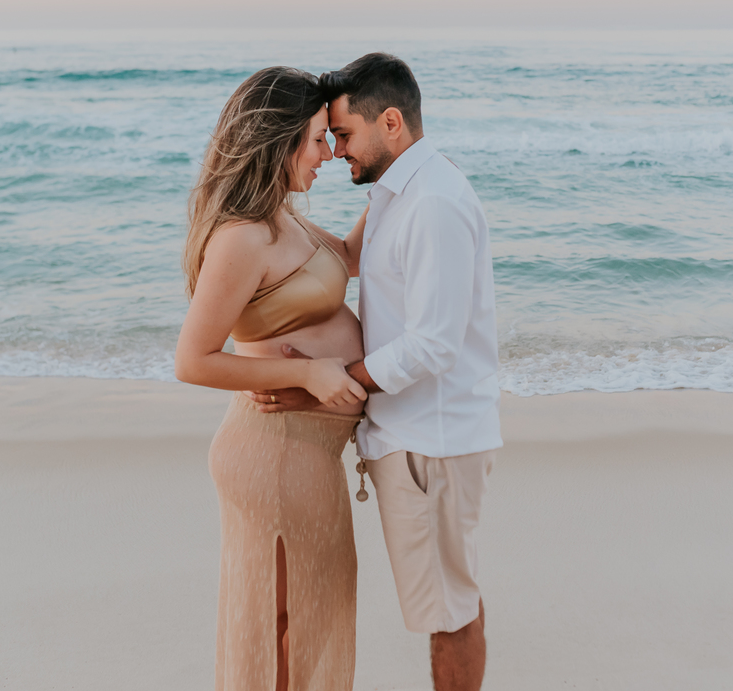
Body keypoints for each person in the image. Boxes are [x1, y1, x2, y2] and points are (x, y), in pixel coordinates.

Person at [248, 53, 502, 691]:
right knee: (447, 602)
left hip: (431, 445)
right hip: (414, 439)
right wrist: (258, 223)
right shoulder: (397, 193)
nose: (334, 151)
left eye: (343, 134)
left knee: (449, 613)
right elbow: (345, 260)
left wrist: (334, 377)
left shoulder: (434, 203)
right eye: (327, 138)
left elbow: (434, 345)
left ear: (391, 122)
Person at [173, 66, 372, 691]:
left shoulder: (285, 219)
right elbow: (192, 359)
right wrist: (308, 372)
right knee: (288, 628)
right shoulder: (244, 236)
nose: (327, 154)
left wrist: (395, 175)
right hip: (277, 452)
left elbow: (351, 258)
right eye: (317, 138)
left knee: (307, 622)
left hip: (303, 453)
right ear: (279, 139)